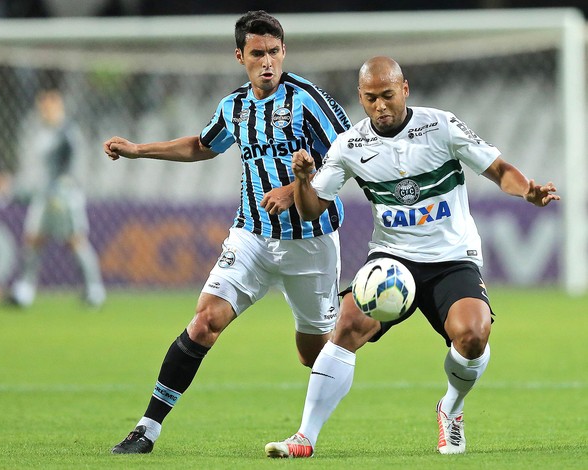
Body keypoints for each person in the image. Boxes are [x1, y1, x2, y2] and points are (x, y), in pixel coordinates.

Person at [265, 56, 560, 458]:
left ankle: (450, 409)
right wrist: (301, 181)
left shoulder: (441, 126)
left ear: (405, 89)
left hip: (452, 256)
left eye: (388, 95)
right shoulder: (350, 145)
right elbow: (312, 208)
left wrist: (527, 191)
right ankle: (304, 436)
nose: (380, 105)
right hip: (392, 258)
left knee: (473, 336)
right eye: (371, 98)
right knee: (348, 324)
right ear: (361, 97)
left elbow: (498, 168)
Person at [103, 10, 351, 454]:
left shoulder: (309, 100)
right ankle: (147, 428)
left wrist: (295, 191)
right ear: (241, 56)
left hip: (311, 245)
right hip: (251, 238)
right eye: (258, 54)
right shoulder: (233, 106)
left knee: (313, 355)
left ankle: (345, 343)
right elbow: (202, 145)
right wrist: (139, 149)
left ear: (284, 52)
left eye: (274, 52)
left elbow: (349, 154)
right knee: (204, 323)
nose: (267, 61)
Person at [7, 88, 106, 308]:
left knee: (74, 241)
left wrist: (67, 187)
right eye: (42, 106)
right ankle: (24, 290)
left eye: (48, 105)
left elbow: (74, 164)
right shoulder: (42, 131)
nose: (44, 110)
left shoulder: (67, 132)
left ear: (58, 107)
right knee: (33, 239)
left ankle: (95, 290)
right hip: (44, 194)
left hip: (64, 195)